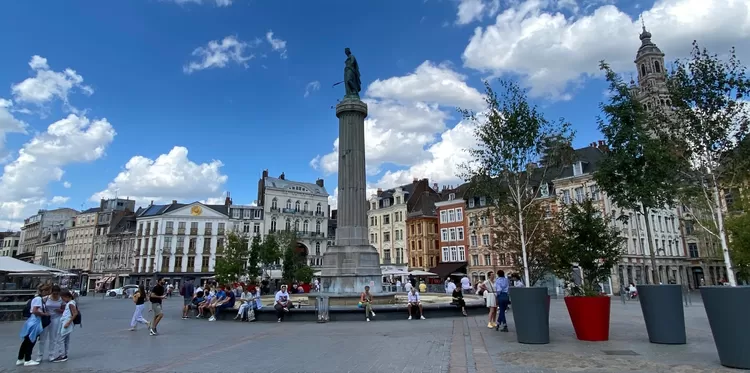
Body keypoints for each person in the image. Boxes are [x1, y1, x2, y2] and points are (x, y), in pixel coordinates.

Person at [18, 284, 51, 366]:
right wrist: (44, 314)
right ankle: (27, 359)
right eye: (47, 291)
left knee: (26, 340)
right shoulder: (38, 299)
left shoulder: (36, 298)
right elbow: (35, 310)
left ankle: (21, 358)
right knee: (31, 340)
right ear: (43, 291)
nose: (48, 293)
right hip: (35, 321)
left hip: (32, 321)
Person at [37, 285, 63, 362]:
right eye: (54, 293)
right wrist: (44, 312)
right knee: (42, 338)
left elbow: (65, 309)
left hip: (56, 318)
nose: (55, 295)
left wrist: (60, 310)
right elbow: (40, 307)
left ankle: (51, 354)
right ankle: (40, 355)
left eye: (57, 294)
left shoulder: (61, 299)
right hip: (46, 319)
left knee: (53, 338)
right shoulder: (46, 298)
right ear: (51, 292)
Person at [54, 289, 78, 362]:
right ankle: (64, 354)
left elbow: (75, 313)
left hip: (66, 322)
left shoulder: (71, 303)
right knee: (65, 339)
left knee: (61, 339)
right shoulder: (71, 303)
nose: (63, 300)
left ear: (67, 296)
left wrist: (68, 322)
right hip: (66, 322)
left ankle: (62, 355)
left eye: (63, 298)